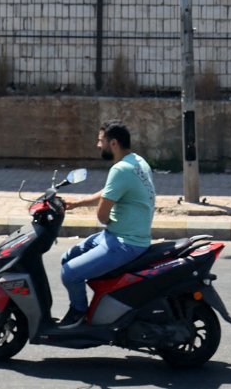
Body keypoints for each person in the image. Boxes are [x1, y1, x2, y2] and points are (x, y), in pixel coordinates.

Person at [56, 120, 155, 327]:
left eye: (101, 141)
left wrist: (109, 218)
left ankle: (79, 314)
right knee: (68, 257)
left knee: (70, 273)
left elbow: (102, 215)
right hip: (118, 236)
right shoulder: (137, 161)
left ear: (114, 143)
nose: (98, 145)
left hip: (125, 243)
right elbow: (110, 192)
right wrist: (77, 203)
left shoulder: (120, 169)